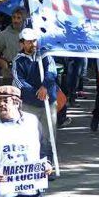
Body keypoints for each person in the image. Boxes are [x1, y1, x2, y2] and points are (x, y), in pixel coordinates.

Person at [12, 28, 59, 166]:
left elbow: (52, 71)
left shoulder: (45, 55)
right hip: (29, 104)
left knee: (49, 136)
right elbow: (20, 82)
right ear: (22, 43)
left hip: (48, 102)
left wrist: (45, 87)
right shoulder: (18, 61)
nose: (32, 44)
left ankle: (47, 164)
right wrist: (37, 93)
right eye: (28, 42)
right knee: (30, 135)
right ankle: (32, 164)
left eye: (34, 41)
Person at [0, 8, 25, 85]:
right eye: (14, 17)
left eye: (18, 18)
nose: (15, 20)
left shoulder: (29, 34)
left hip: (27, 74)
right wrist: (0, 61)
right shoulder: (3, 35)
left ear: (23, 19)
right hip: (9, 74)